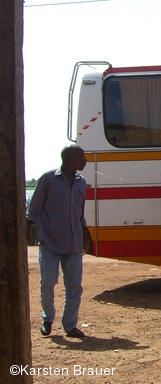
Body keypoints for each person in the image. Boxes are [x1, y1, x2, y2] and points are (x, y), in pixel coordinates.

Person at [26, 145, 92, 338]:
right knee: (48, 282)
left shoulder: (81, 182)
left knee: (74, 286)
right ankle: (47, 318)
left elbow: (80, 214)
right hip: (50, 241)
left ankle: (70, 325)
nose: (85, 161)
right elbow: (34, 209)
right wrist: (27, 233)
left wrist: (86, 236)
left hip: (73, 242)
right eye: (82, 157)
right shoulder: (48, 179)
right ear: (71, 159)